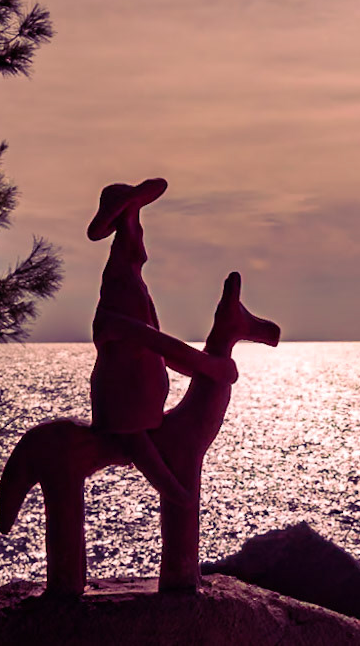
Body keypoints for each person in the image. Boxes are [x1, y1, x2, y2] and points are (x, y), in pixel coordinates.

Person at [87, 178, 237, 505]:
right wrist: (206, 366)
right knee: (175, 494)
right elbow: (147, 338)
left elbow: (156, 345)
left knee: (175, 487)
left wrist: (202, 370)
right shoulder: (118, 292)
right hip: (125, 418)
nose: (140, 238)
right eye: (132, 224)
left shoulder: (134, 288)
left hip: (146, 414)